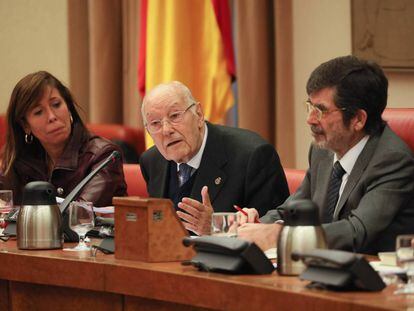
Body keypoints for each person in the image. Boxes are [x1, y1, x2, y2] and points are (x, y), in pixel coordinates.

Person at [238, 55, 414, 254]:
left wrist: (280, 235)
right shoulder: (322, 151)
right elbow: (292, 210)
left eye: (320, 110)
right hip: (325, 270)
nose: (310, 119)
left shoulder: (392, 161)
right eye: (310, 107)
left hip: (375, 277)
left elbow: (357, 231)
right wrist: (258, 225)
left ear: (358, 119)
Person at [139, 81, 289, 235]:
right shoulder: (151, 161)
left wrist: (216, 229)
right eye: (155, 123)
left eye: (175, 116)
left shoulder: (254, 156)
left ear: (198, 114)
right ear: (148, 131)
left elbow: (270, 234)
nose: (166, 130)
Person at [0, 71, 127, 206]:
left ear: (69, 107)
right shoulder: (20, 161)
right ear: (25, 125)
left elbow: (78, 216)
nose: (52, 116)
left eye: (56, 104)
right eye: (38, 112)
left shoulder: (103, 156)